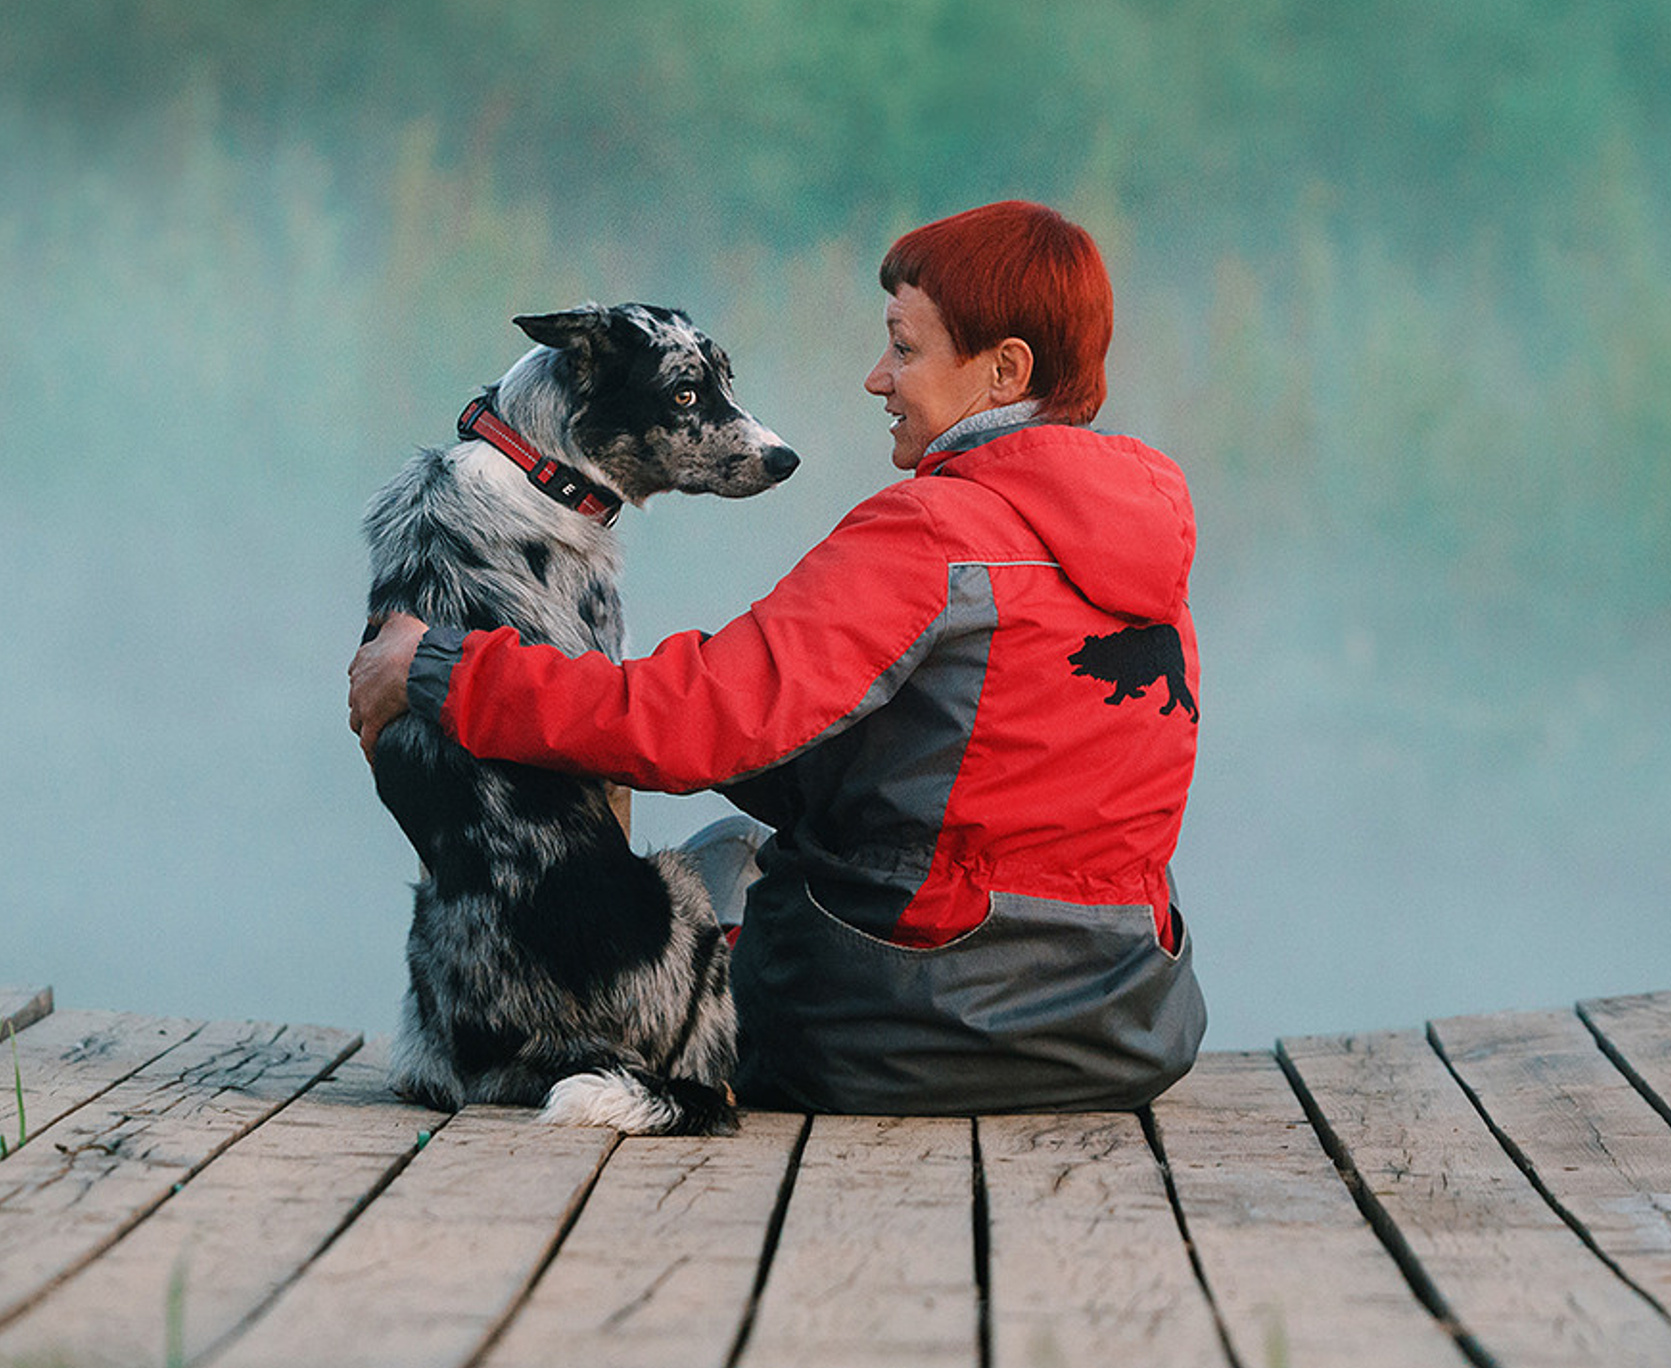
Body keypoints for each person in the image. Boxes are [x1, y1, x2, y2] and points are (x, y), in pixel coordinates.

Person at [348, 200, 1206, 1113]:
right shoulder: (1140, 547)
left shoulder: (934, 533)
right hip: (1130, 1020)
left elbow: (698, 725)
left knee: (721, 868)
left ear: (1005, 371)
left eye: (905, 349)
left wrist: (439, 669)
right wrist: (753, 738)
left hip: (930, 1026)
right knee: (765, 837)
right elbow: (963, 774)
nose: (878, 378)